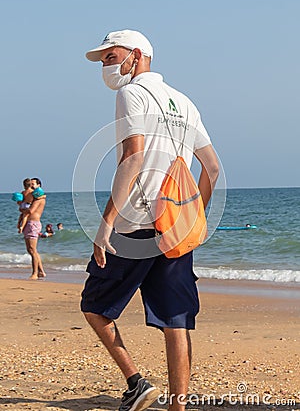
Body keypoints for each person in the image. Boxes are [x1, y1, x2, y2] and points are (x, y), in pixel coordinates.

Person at [81, 30, 219, 411]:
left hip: (136, 223)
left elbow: (134, 158)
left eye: (112, 57)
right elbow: (213, 168)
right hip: (174, 225)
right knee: (176, 318)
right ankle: (179, 406)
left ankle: (136, 382)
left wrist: (106, 220)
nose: (108, 65)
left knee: (94, 306)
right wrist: (195, 215)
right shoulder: (185, 102)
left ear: (137, 55)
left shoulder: (132, 93)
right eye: (105, 59)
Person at [22, 179, 47, 279]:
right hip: (28, 223)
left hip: (33, 224)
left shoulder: (39, 199)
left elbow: (31, 211)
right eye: (30, 184)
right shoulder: (33, 198)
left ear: (39, 185)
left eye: (33, 184)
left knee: (32, 250)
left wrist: (23, 208)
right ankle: (41, 272)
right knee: (30, 250)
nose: (31, 186)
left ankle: (35, 273)